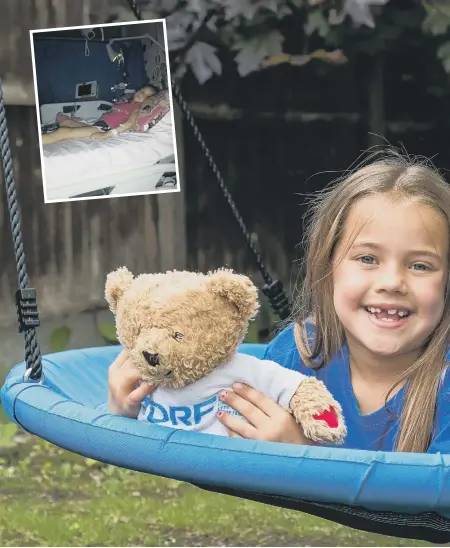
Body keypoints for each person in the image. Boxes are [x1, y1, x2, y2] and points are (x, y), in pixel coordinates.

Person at [108, 151, 450, 453]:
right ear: (328, 268)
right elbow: (196, 422)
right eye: (367, 259)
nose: (392, 282)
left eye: (420, 265)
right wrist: (134, 408)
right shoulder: (298, 353)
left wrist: (302, 458)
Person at [41, 85, 157, 145]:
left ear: (148, 101)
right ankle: (42, 131)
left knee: (64, 131)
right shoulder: (125, 103)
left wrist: (106, 135)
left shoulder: (137, 109)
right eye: (142, 90)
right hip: (98, 124)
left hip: (104, 129)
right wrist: (84, 122)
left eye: (145, 95)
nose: (141, 94)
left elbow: (129, 124)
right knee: (67, 122)